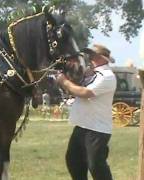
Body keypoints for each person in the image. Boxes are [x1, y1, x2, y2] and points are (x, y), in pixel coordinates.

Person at [56, 44, 117, 180]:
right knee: (73, 161)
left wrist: (63, 81)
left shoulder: (107, 76)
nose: (90, 58)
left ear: (103, 59)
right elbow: (77, 83)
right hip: (82, 125)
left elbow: (85, 92)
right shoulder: (91, 73)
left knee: (96, 165)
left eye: (93, 55)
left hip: (97, 129)